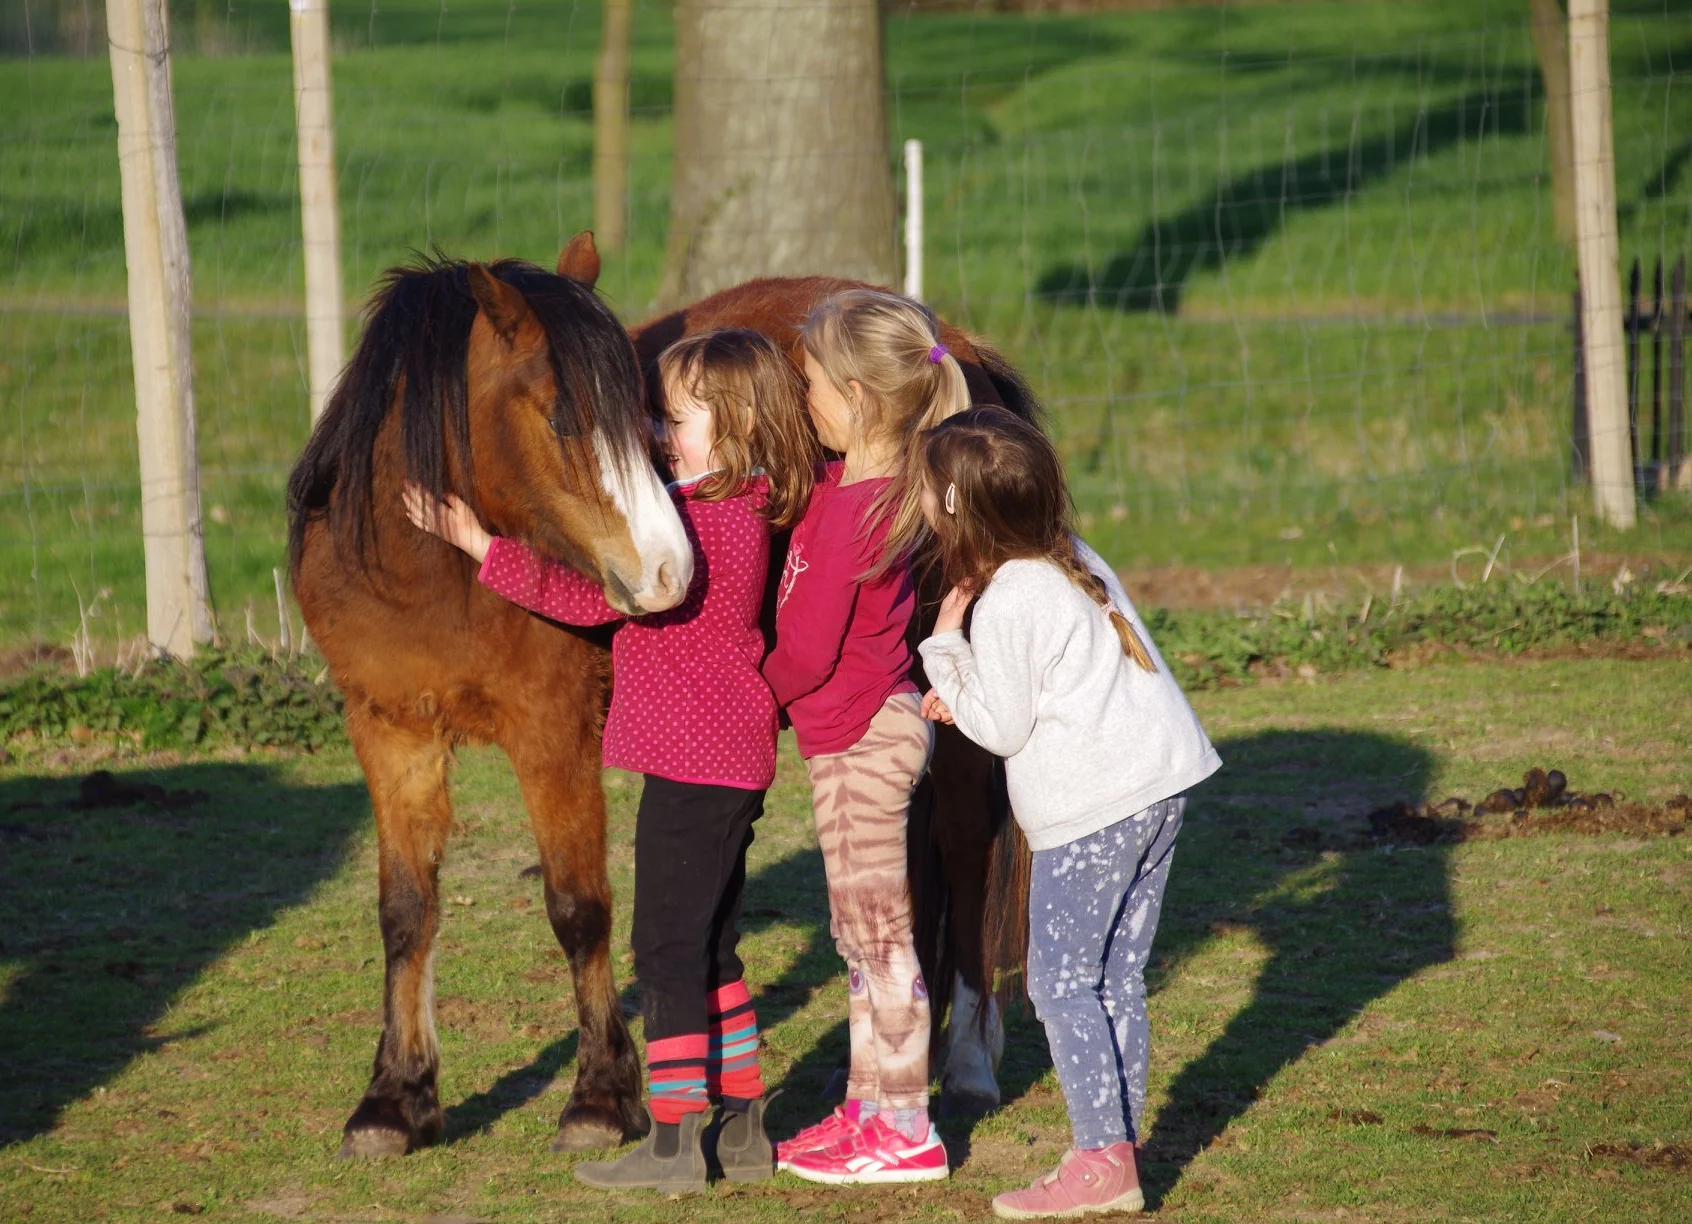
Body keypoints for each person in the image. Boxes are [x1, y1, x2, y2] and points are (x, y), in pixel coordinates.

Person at [402, 328, 819, 1194]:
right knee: (713, 950)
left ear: (736, 427)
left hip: (696, 765)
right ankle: (742, 1129)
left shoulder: (703, 526)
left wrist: (483, 548)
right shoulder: (744, 506)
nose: (659, 436)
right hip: (727, 761)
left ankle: (673, 1140)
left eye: (674, 420)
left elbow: (599, 600)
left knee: (664, 949)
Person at [912, 408, 1221, 1218]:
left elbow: (1001, 726)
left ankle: (1097, 1160)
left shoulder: (1012, 597)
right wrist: (970, 690)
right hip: (1159, 789)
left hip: (1095, 812)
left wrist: (947, 652)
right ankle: (1114, 1148)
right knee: (1117, 976)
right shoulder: (1071, 557)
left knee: (1059, 985)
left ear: (952, 507)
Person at [765, 288, 969, 1185]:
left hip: (856, 740)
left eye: (809, 385)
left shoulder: (859, 512)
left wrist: (750, 699)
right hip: (852, 736)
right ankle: (865, 1108)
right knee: (859, 937)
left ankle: (907, 1129)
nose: (802, 401)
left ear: (853, 393)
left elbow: (806, 649)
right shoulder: (848, 487)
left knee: (881, 943)